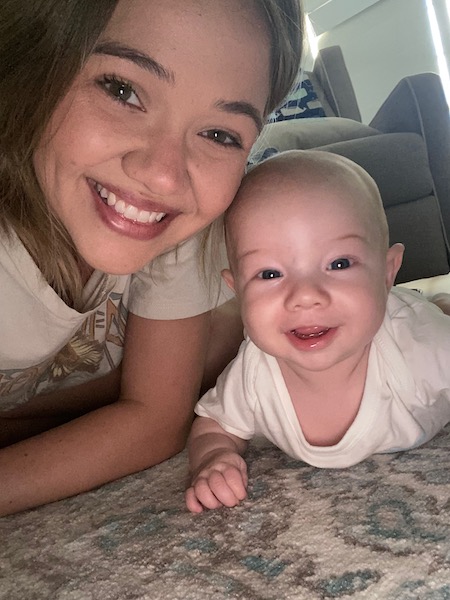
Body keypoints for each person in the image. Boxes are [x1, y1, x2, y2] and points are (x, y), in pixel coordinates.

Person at [0, 0, 304, 516]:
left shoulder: (174, 220)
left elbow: (158, 419)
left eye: (220, 134)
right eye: (123, 90)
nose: (164, 176)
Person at [185, 150, 450, 514]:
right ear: (237, 290)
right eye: (269, 274)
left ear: (387, 272)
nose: (305, 296)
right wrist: (213, 458)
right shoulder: (255, 371)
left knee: (433, 315)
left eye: (338, 264)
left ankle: (435, 304)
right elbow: (215, 424)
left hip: (408, 318)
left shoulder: (419, 348)